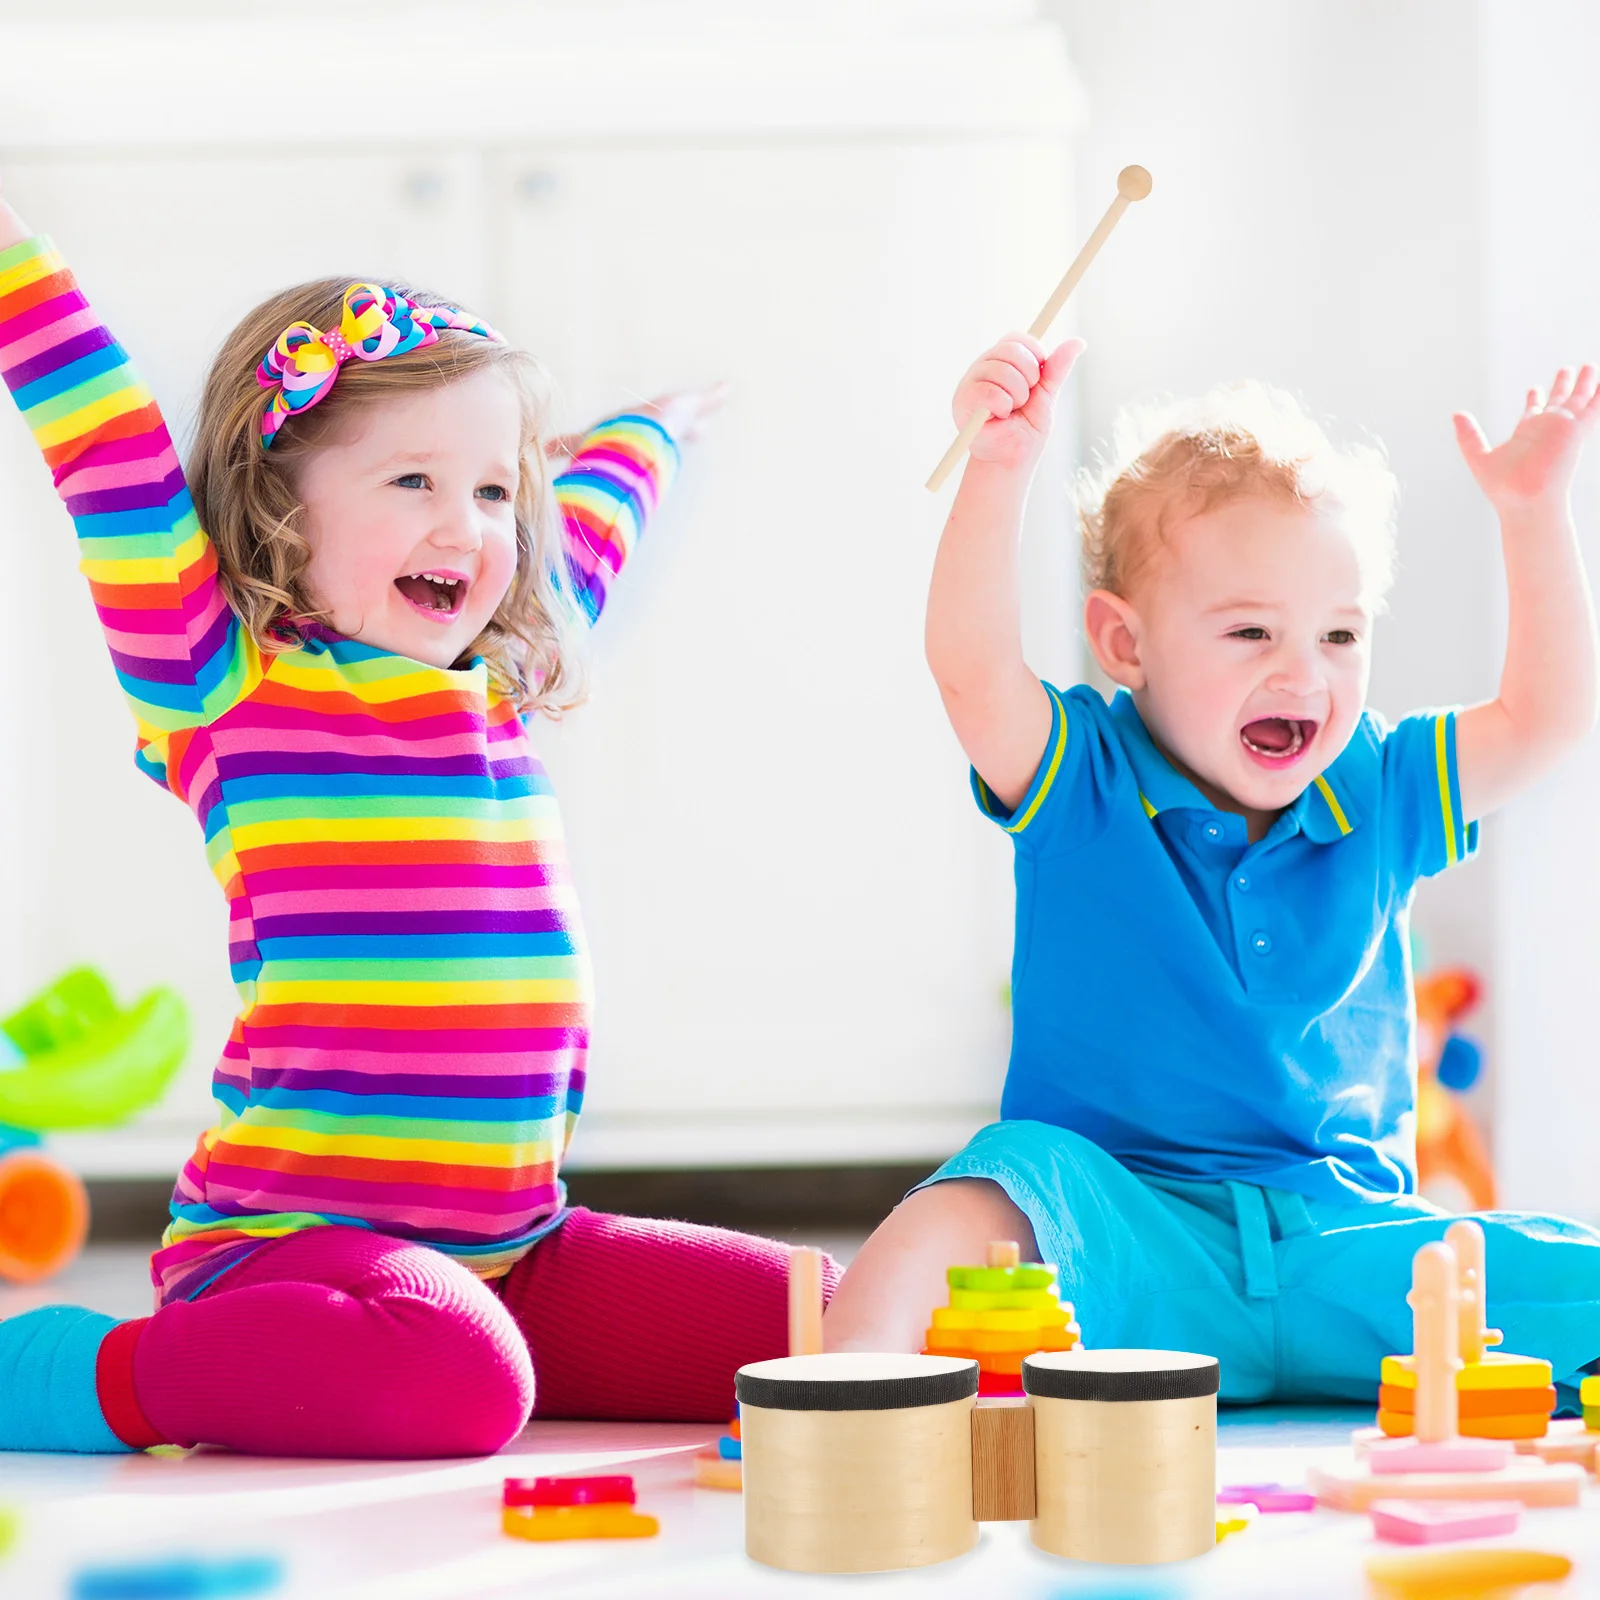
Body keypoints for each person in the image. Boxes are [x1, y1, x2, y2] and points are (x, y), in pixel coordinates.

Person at [0, 186, 835, 1457]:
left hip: (517, 1251)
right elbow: (105, 449)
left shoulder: (496, 681)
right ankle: (86, 1372)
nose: (471, 527)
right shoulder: (225, 678)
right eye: (413, 480)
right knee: (458, 1381)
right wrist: (18, 267)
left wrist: (652, 431)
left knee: (829, 1314)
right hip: (287, 1256)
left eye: (493, 490)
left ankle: (451, 1348)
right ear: (281, 505)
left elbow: (586, 524)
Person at [825, 331, 1600, 1403]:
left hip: (1352, 1245)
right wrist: (998, 470)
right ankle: (839, 1398)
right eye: (1249, 632)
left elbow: (1544, 717)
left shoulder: (1382, 782)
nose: (1305, 672)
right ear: (1125, 643)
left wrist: (1531, 515)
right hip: (1127, 1245)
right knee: (979, 1192)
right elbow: (971, 670)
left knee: (1557, 1268)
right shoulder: (1083, 774)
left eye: (1339, 634)